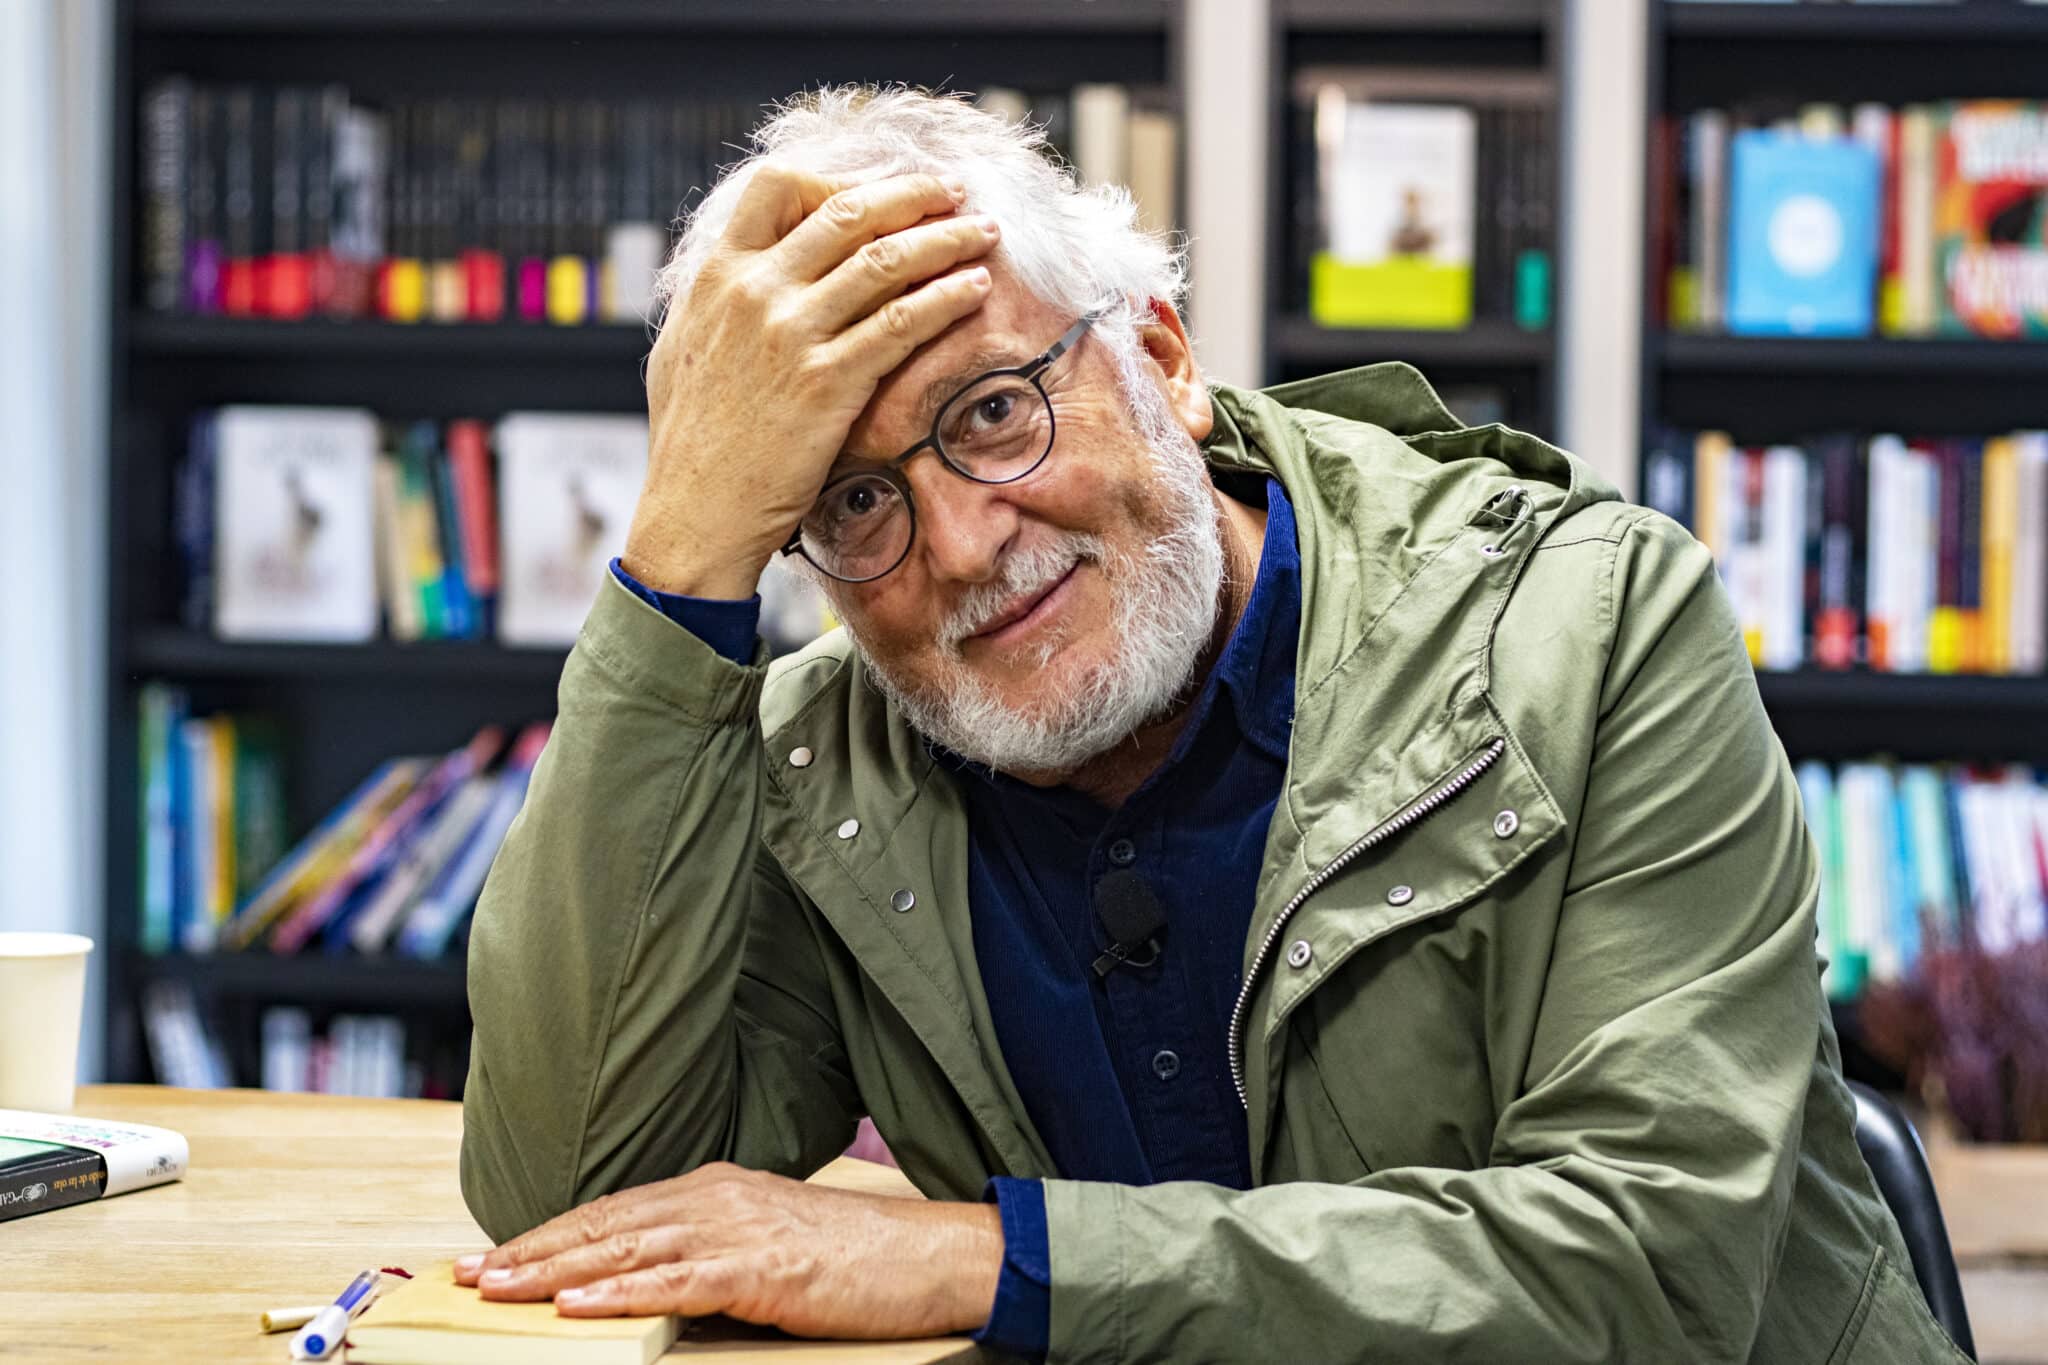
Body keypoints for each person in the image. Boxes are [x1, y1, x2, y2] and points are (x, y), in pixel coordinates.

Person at [454, 88, 1965, 1363]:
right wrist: (676, 562)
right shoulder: (819, 761)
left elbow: (1652, 1267)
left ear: (1163, 360)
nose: (967, 545)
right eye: (851, 502)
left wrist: (993, 1262)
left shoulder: (1594, 619)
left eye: (992, 410)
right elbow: (578, 1196)